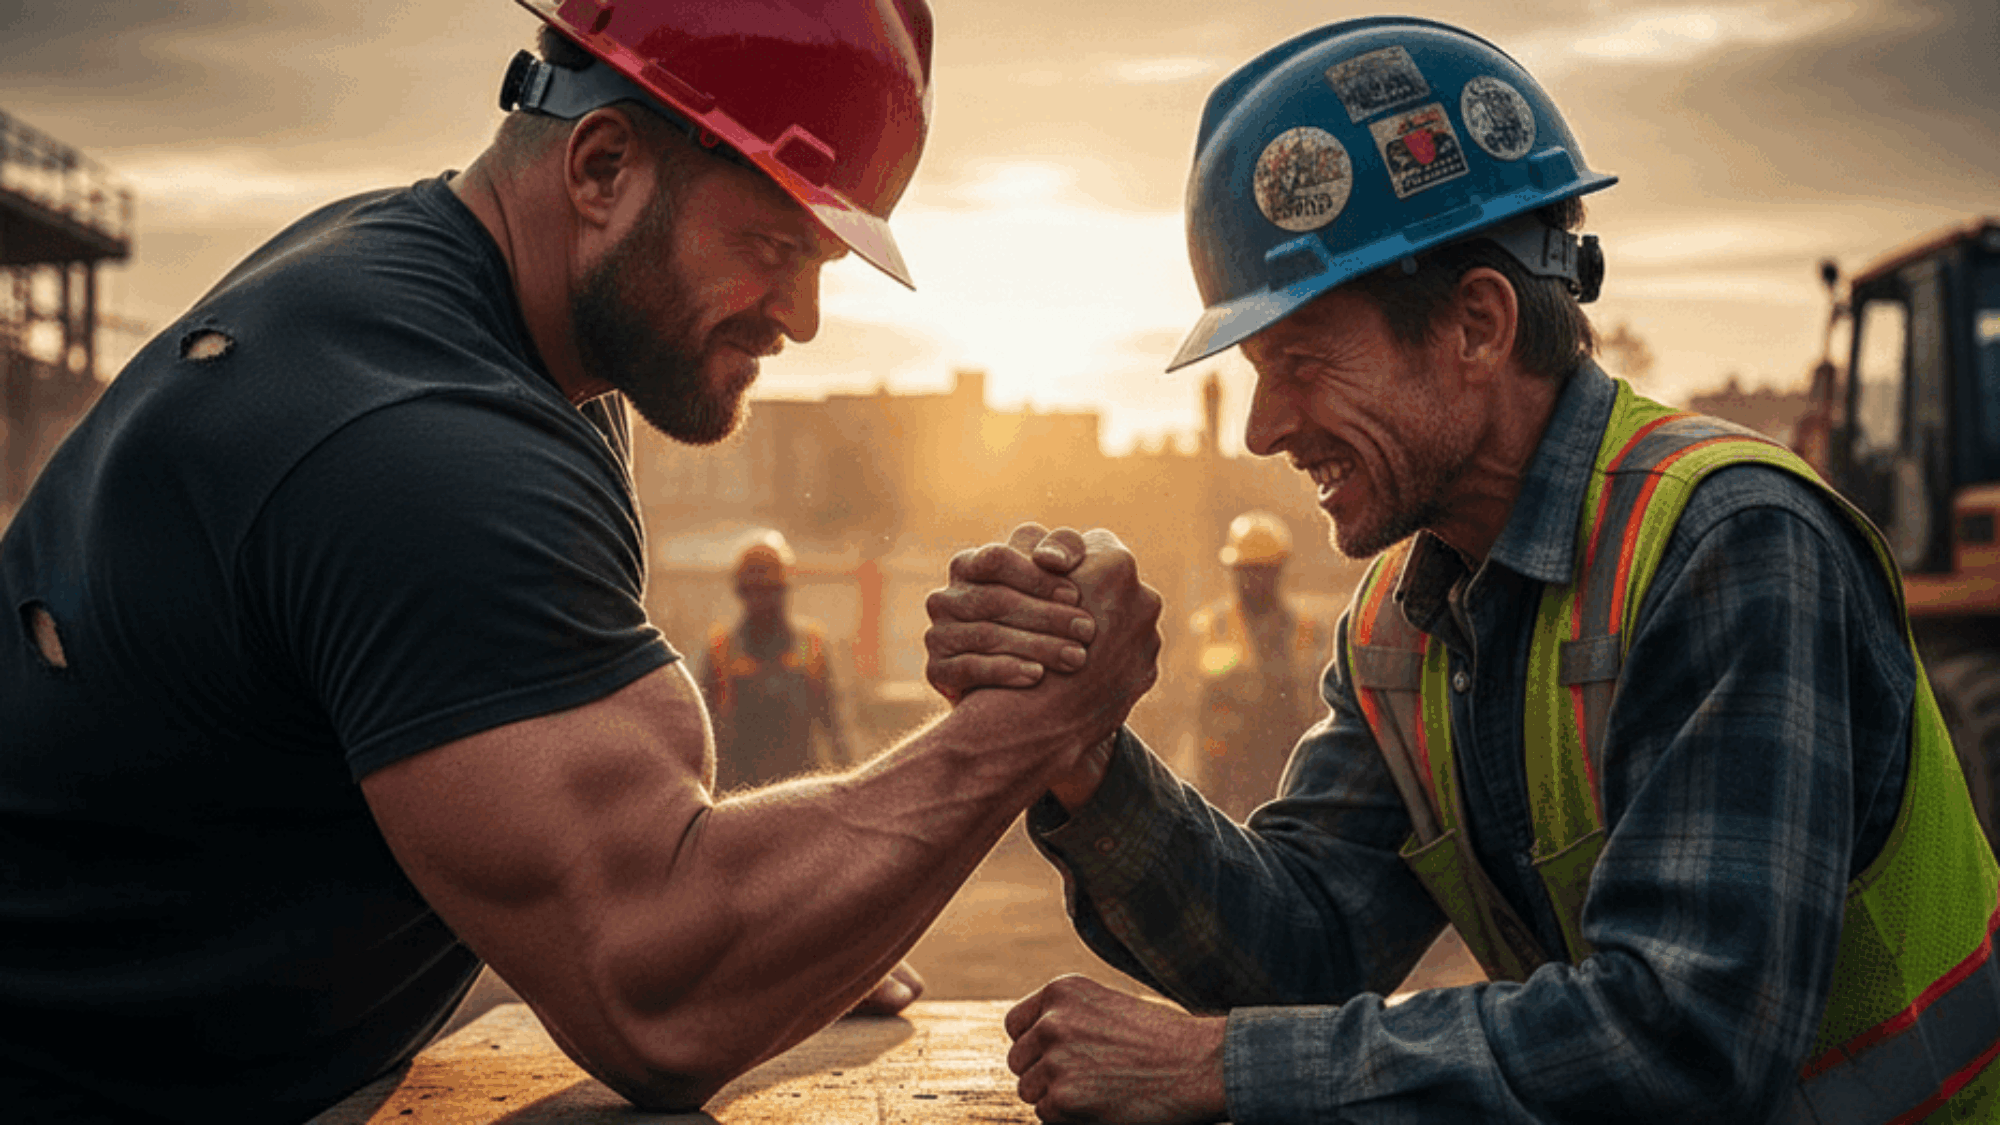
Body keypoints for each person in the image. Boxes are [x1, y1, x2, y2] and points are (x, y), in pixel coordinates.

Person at [0, 2, 1164, 1120]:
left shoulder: (472, 320)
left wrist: (797, 916)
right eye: (771, 244)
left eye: (823, 260)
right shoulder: (423, 443)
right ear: (601, 168)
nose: (802, 317)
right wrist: (1031, 721)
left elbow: (597, 818)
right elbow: (660, 1004)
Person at [923, 16, 2000, 1123]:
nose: (1260, 428)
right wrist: (1085, 752)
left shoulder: (1729, 547)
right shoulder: (1405, 622)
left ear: (1476, 325)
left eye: (1297, 361)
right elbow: (1301, 952)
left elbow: (1685, 1040)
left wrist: (1217, 1069)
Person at [1185, 510, 1329, 819]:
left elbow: (1320, 707)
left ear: (1279, 570)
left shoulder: (1307, 631)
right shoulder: (1210, 627)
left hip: (1289, 771)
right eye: (1246, 570)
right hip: (1226, 778)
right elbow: (1191, 708)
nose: (1252, 579)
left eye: (1262, 570)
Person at [697, 530, 854, 790]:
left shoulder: (811, 645)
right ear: (741, 592)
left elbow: (834, 726)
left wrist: (850, 785)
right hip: (739, 798)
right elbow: (704, 735)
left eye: (769, 591)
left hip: (801, 793)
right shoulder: (721, 651)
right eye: (754, 591)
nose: (762, 601)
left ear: (783, 590)